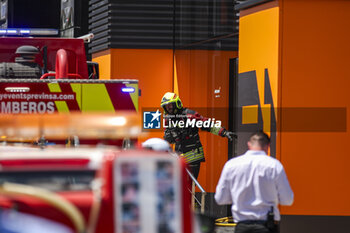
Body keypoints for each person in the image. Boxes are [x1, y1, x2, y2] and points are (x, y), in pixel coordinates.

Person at [214, 131, 294, 233]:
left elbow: (220, 199)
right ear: (268, 146)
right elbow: (287, 200)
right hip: (267, 226)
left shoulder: (231, 165)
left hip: (242, 227)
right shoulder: (274, 166)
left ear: (249, 144)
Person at [160, 92, 235, 179]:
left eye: (170, 105)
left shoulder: (189, 115)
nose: (169, 108)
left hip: (193, 155)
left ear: (177, 103)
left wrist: (223, 132)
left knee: (189, 184)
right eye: (166, 106)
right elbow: (168, 139)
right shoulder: (167, 120)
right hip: (179, 156)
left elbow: (206, 124)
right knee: (178, 183)